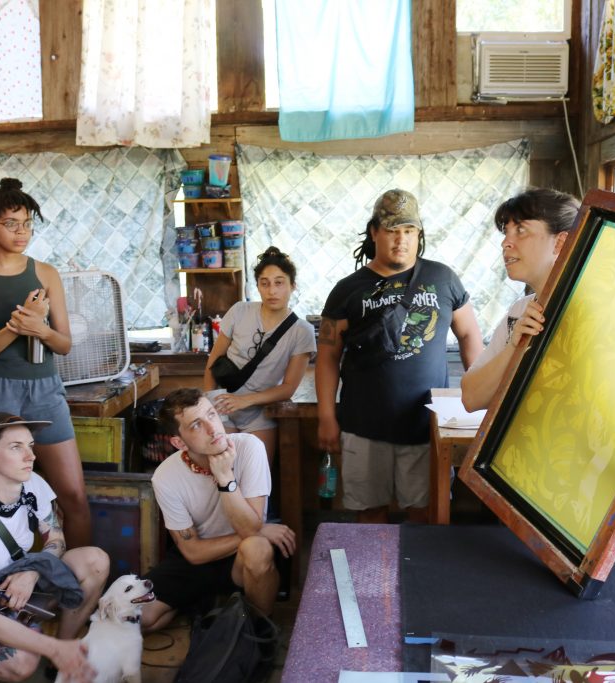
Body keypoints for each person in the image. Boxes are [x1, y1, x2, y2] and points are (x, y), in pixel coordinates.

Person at [460, 188, 615, 504]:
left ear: (560, 243)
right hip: (516, 492)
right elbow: (471, 397)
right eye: (506, 232)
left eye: (521, 230)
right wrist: (514, 347)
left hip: (590, 508)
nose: (506, 242)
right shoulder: (518, 313)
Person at [316, 189, 483, 524]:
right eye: (392, 231)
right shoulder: (347, 289)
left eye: (409, 231)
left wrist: (479, 399)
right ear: (374, 231)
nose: (400, 240)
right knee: (369, 515)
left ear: (419, 234)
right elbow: (327, 357)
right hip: (363, 427)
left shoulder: (443, 278)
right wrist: (326, 417)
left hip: (426, 427)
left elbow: (469, 335)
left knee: (424, 513)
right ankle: (372, 577)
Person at [0, 178, 91, 548]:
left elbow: (63, 344)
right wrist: (16, 327)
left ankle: (80, 587)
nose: (21, 231)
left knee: (74, 495)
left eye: (27, 223)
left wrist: (38, 329)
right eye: (11, 223)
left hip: (43, 388)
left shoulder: (45, 273)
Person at [0, 413, 107, 682]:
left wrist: (32, 572)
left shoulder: (33, 484)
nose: (31, 456)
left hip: (14, 581)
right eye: (16, 447)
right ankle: (38, 654)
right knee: (21, 663)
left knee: (95, 561)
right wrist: (56, 649)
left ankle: (60, 660)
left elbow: (56, 540)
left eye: (30, 446)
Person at [138, 388, 296, 631]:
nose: (213, 429)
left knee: (256, 547)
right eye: (196, 425)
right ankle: (197, 601)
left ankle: (259, 632)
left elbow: (250, 529)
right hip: (199, 557)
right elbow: (192, 552)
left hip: (240, 559)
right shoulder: (165, 476)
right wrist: (259, 530)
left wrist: (225, 479)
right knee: (142, 619)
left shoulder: (249, 447)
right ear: (179, 442)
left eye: (212, 415)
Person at [203, 247, 316, 463]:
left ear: (293, 286)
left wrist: (244, 401)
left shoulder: (302, 331)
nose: (272, 290)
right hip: (221, 404)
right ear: (258, 286)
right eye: (265, 283)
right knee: (220, 476)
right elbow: (213, 361)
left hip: (260, 413)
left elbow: (288, 388)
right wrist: (210, 405)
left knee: (257, 480)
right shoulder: (239, 311)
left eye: (279, 282)